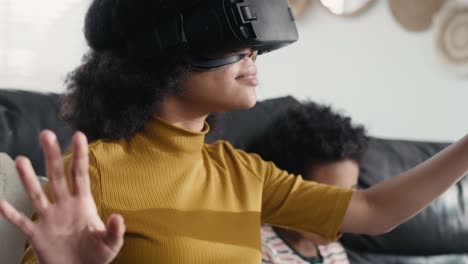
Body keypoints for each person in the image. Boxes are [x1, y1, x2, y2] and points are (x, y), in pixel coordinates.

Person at [0, 0, 466, 263]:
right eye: (232, 39)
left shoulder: (242, 173)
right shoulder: (93, 173)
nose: (254, 53)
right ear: (165, 52)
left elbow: (374, 210)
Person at [249, 102, 368, 264]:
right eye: (327, 197)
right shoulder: (260, 247)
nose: (340, 213)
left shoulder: (333, 250)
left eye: (350, 195)